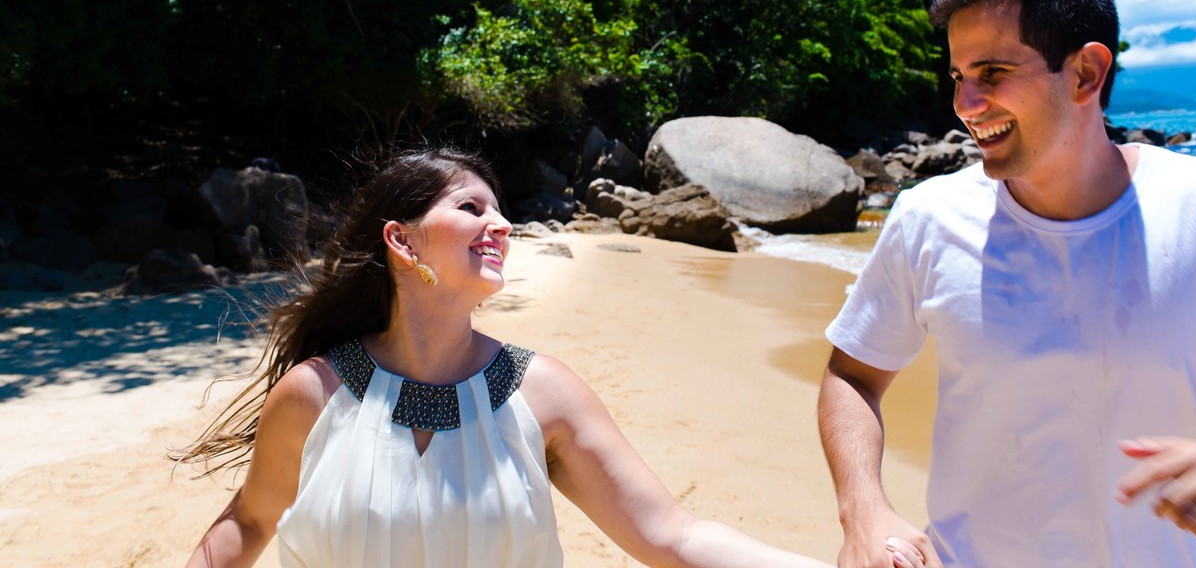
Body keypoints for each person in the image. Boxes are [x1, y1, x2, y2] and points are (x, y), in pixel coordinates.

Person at [177, 147, 872, 568]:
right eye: (472, 207)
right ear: (403, 240)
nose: (500, 225)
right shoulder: (315, 394)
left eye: (501, 210)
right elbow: (251, 521)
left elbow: (674, 535)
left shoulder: (541, 394)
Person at [817, 0, 1196, 567]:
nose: (965, 107)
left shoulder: (1192, 209)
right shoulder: (928, 217)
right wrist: (863, 509)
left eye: (991, 74)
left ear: (1085, 74)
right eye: (958, 78)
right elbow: (852, 375)